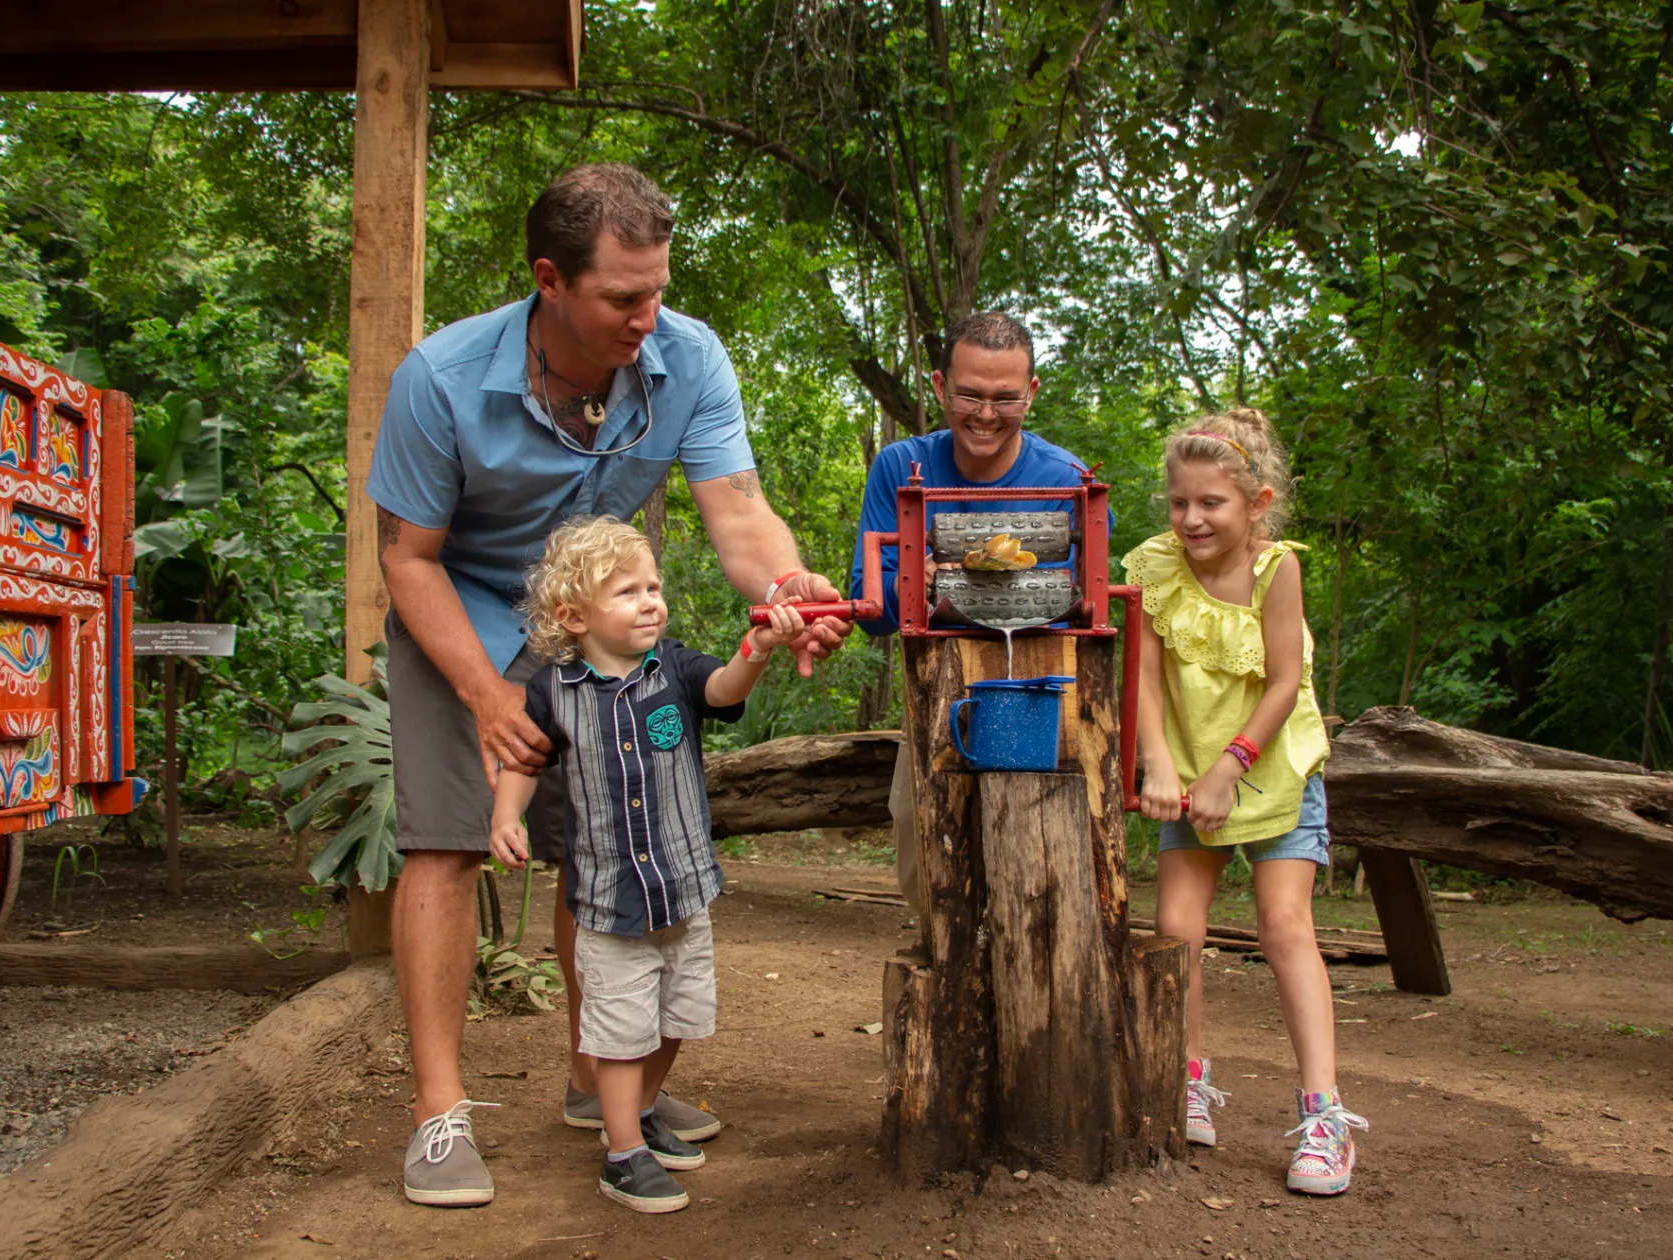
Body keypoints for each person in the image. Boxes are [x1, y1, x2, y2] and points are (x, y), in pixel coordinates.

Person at [368, 163, 851, 1208]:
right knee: (450, 846)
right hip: (464, 612)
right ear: (550, 280)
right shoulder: (442, 379)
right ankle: (440, 1116)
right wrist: (492, 697)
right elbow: (407, 559)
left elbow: (737, 506)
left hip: (597, 626)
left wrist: (789, 592)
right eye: (623, 297)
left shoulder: (687, 357)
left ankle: (604, 1081)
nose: (649, 314)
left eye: (659, 288)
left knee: (600, 848)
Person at [489, 518, 805, 1214]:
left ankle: (643, 1109)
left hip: (683, 889)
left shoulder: (678, 670)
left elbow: (724, 690)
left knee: (677, 1018)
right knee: (620, 1029)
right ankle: (622, 1153)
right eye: (628, 591)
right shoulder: (555, 691)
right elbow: (525, 756)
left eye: (654, 586)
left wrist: (756, 648)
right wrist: (505, 816)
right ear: (574, 615)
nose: (651, 601)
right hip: (607, 902)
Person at [1124, 408, 1367, 1195]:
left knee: (1285, 924)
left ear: (1256, 504)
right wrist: (1157, 764)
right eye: (1179, 503)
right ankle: (1186, 1078)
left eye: (1212, 504)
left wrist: (1232, 766)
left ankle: (1323, 1115)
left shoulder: (1278, 568)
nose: (1192, 519)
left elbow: (1287, 682)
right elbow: (1147, 678)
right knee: (1175, 927)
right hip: (1189, 772)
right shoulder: (1152, 566)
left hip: (1273, 766)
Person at [850, 311, 1093, 912]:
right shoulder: (900, 468)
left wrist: (947, 583)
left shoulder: (1068, 480)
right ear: (939, 387)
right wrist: (918, 583)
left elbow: (1086, 601)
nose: (986, 414)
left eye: (1005, 398)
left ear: (1031, 394)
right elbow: (873, 603)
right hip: (935, 701)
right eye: (970, 395)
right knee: (929, 873)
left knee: (1045, 881)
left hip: (1044, 699)